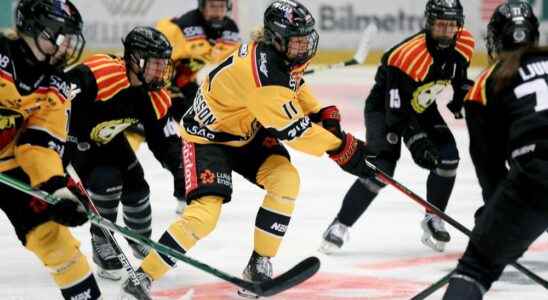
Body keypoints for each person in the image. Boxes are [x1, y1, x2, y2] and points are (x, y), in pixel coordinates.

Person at [120, 1, 375, 299]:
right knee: (204, 215)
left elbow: (293, 82)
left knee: (286, 179)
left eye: (306, 39)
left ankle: (258, 263)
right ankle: (143, 275)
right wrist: (343, 148)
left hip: (245, 131)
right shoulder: (261, 78)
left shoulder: (280, 54)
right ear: (277, 38)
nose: (304, 48)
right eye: (297, 41)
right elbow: (296, 131)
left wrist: (320, 112)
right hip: (207, 140)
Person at [320, 0, 475, 253]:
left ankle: (433, 218)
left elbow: (458, 72)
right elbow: (396, 112)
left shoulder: (465, 41)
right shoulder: (407, 57)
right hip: (385, 109)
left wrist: (461, 95)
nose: (446, 31)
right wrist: (417, 140)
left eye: (451, 25)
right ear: (429, 24)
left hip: (421, 103)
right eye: (440, 25)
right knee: (381, 169)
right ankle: (339, 226)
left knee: (448, 159)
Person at [64, 26, 185, 281]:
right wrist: (57, 158)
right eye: (155, 64)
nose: (161, 70)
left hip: (108, 138)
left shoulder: (156, 95)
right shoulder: (100, 74)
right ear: (135, 59)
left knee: (137, 187)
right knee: (106, 182)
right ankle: (102, 244)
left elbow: (164, 142)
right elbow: (57, 101)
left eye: (164, 63)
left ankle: (138, 239)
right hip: (74, 140)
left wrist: (182, 172)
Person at [443, 2, 546, 299]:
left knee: (475, 269)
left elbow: (491, 174)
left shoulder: (487, 84)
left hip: (536, 175)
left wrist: (495, 220)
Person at [0, 0, 103, 299]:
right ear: (32, 29)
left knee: (54, 239)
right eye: (58, 34)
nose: (64, 45)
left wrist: (57, 188)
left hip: (8, 166)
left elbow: (39, 144)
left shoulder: (56, 85)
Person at [126, 0, 241, 214]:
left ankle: (187, 192)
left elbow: (232, 62)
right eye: (212, 7)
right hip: (156, 87)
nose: (217, 12)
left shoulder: (229, 29)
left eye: (221, 7)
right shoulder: (184, 27)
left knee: (200, 134)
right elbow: (153, 60)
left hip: (182, 86)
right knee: (135, 132)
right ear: (202, 6)